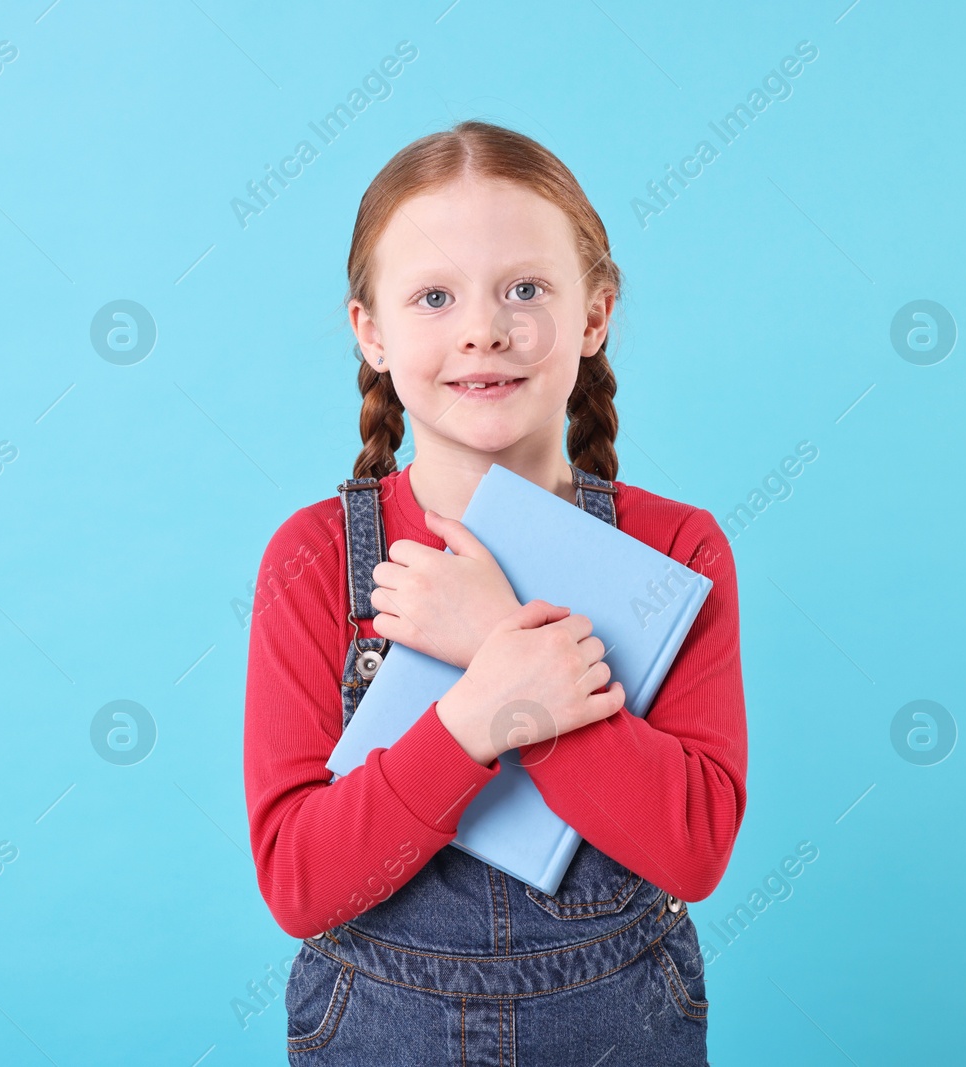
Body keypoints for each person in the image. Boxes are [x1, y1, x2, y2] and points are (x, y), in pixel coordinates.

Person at [243, 119, 747, 1065]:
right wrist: (480, 710)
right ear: (373, 332)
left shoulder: (678, 549)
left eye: (526, 289)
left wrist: (496, 640)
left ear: (594, 315)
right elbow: (302, 882)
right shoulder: (312, 561)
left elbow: (693, 847)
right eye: (435, 295)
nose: (484, 326)